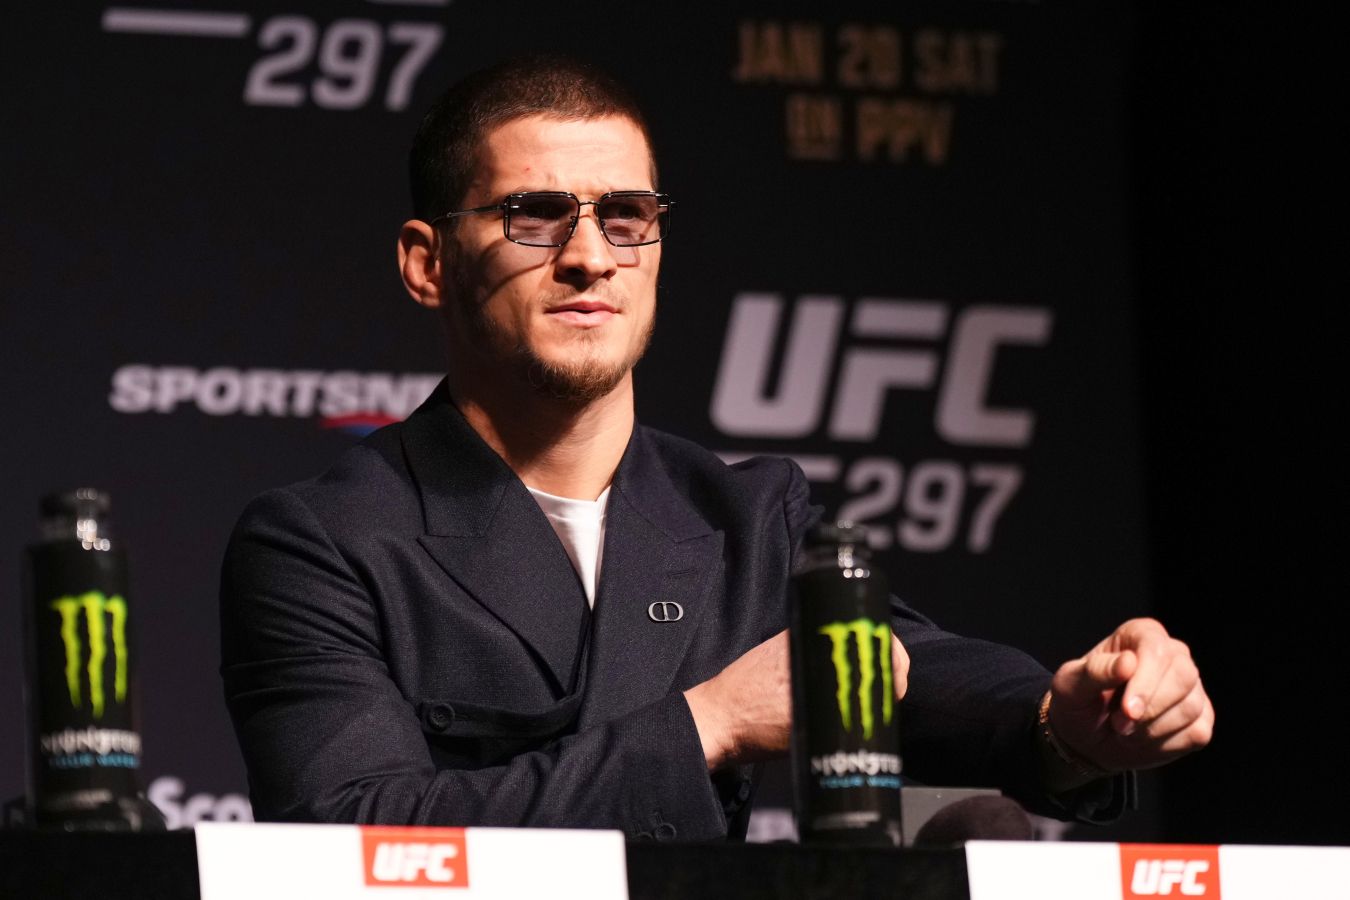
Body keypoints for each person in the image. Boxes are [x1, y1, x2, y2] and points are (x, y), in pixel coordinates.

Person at [220, 55, 1213, 841]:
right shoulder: (322, 543)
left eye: (625, 216)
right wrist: (713, 723)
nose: (590, 256)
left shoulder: (746, 515)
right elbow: (350, 836)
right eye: (534, 216)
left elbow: (921, 670)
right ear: (427, 263)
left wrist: (1070, 721)